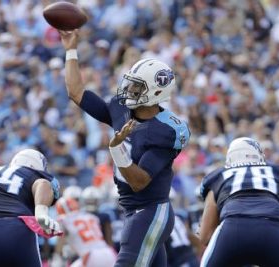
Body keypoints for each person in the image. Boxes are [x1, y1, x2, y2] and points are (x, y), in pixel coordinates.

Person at [59, 29, 191, 267]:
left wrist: (117, 150)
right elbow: (76, 92)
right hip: (132, 210)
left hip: (150, 211)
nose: (129, 91)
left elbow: (139, 181)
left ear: (156, 92)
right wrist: (70, 50)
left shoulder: (165, 131)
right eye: (130, 84)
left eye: (137, 87)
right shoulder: (121, 109)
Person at [199, 137, 279, 267]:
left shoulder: (218, 176)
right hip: (271, 230)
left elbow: (205, 237)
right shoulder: (278, 173)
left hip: (232, 229)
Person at [54, 196, 117, 267]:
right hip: (109, 252)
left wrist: (57, 256)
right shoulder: (91, 216)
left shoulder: (64, 219)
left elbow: (60, 242)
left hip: (91, 256)